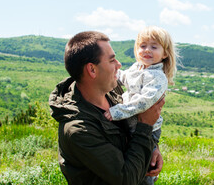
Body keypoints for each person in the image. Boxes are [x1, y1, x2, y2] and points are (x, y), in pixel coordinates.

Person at [49, 31, 164, 185]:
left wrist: (152, 148)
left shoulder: (113, 91)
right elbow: (126, 179)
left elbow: (131, 133)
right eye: (111, 60)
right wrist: (146, 126)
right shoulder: (79, 130)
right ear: (92, 70)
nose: (119, 65)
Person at [104, 26, 177, 142]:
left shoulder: (157, 76)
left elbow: (144, 102)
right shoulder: (137, 67)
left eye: (154, 47)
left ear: (165, 54)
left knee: (143, 157)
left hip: (149, 128)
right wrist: (110, 72)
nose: (147, 50)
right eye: (143, 46)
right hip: (132, 120)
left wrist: (118, 111)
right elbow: (124, 77)